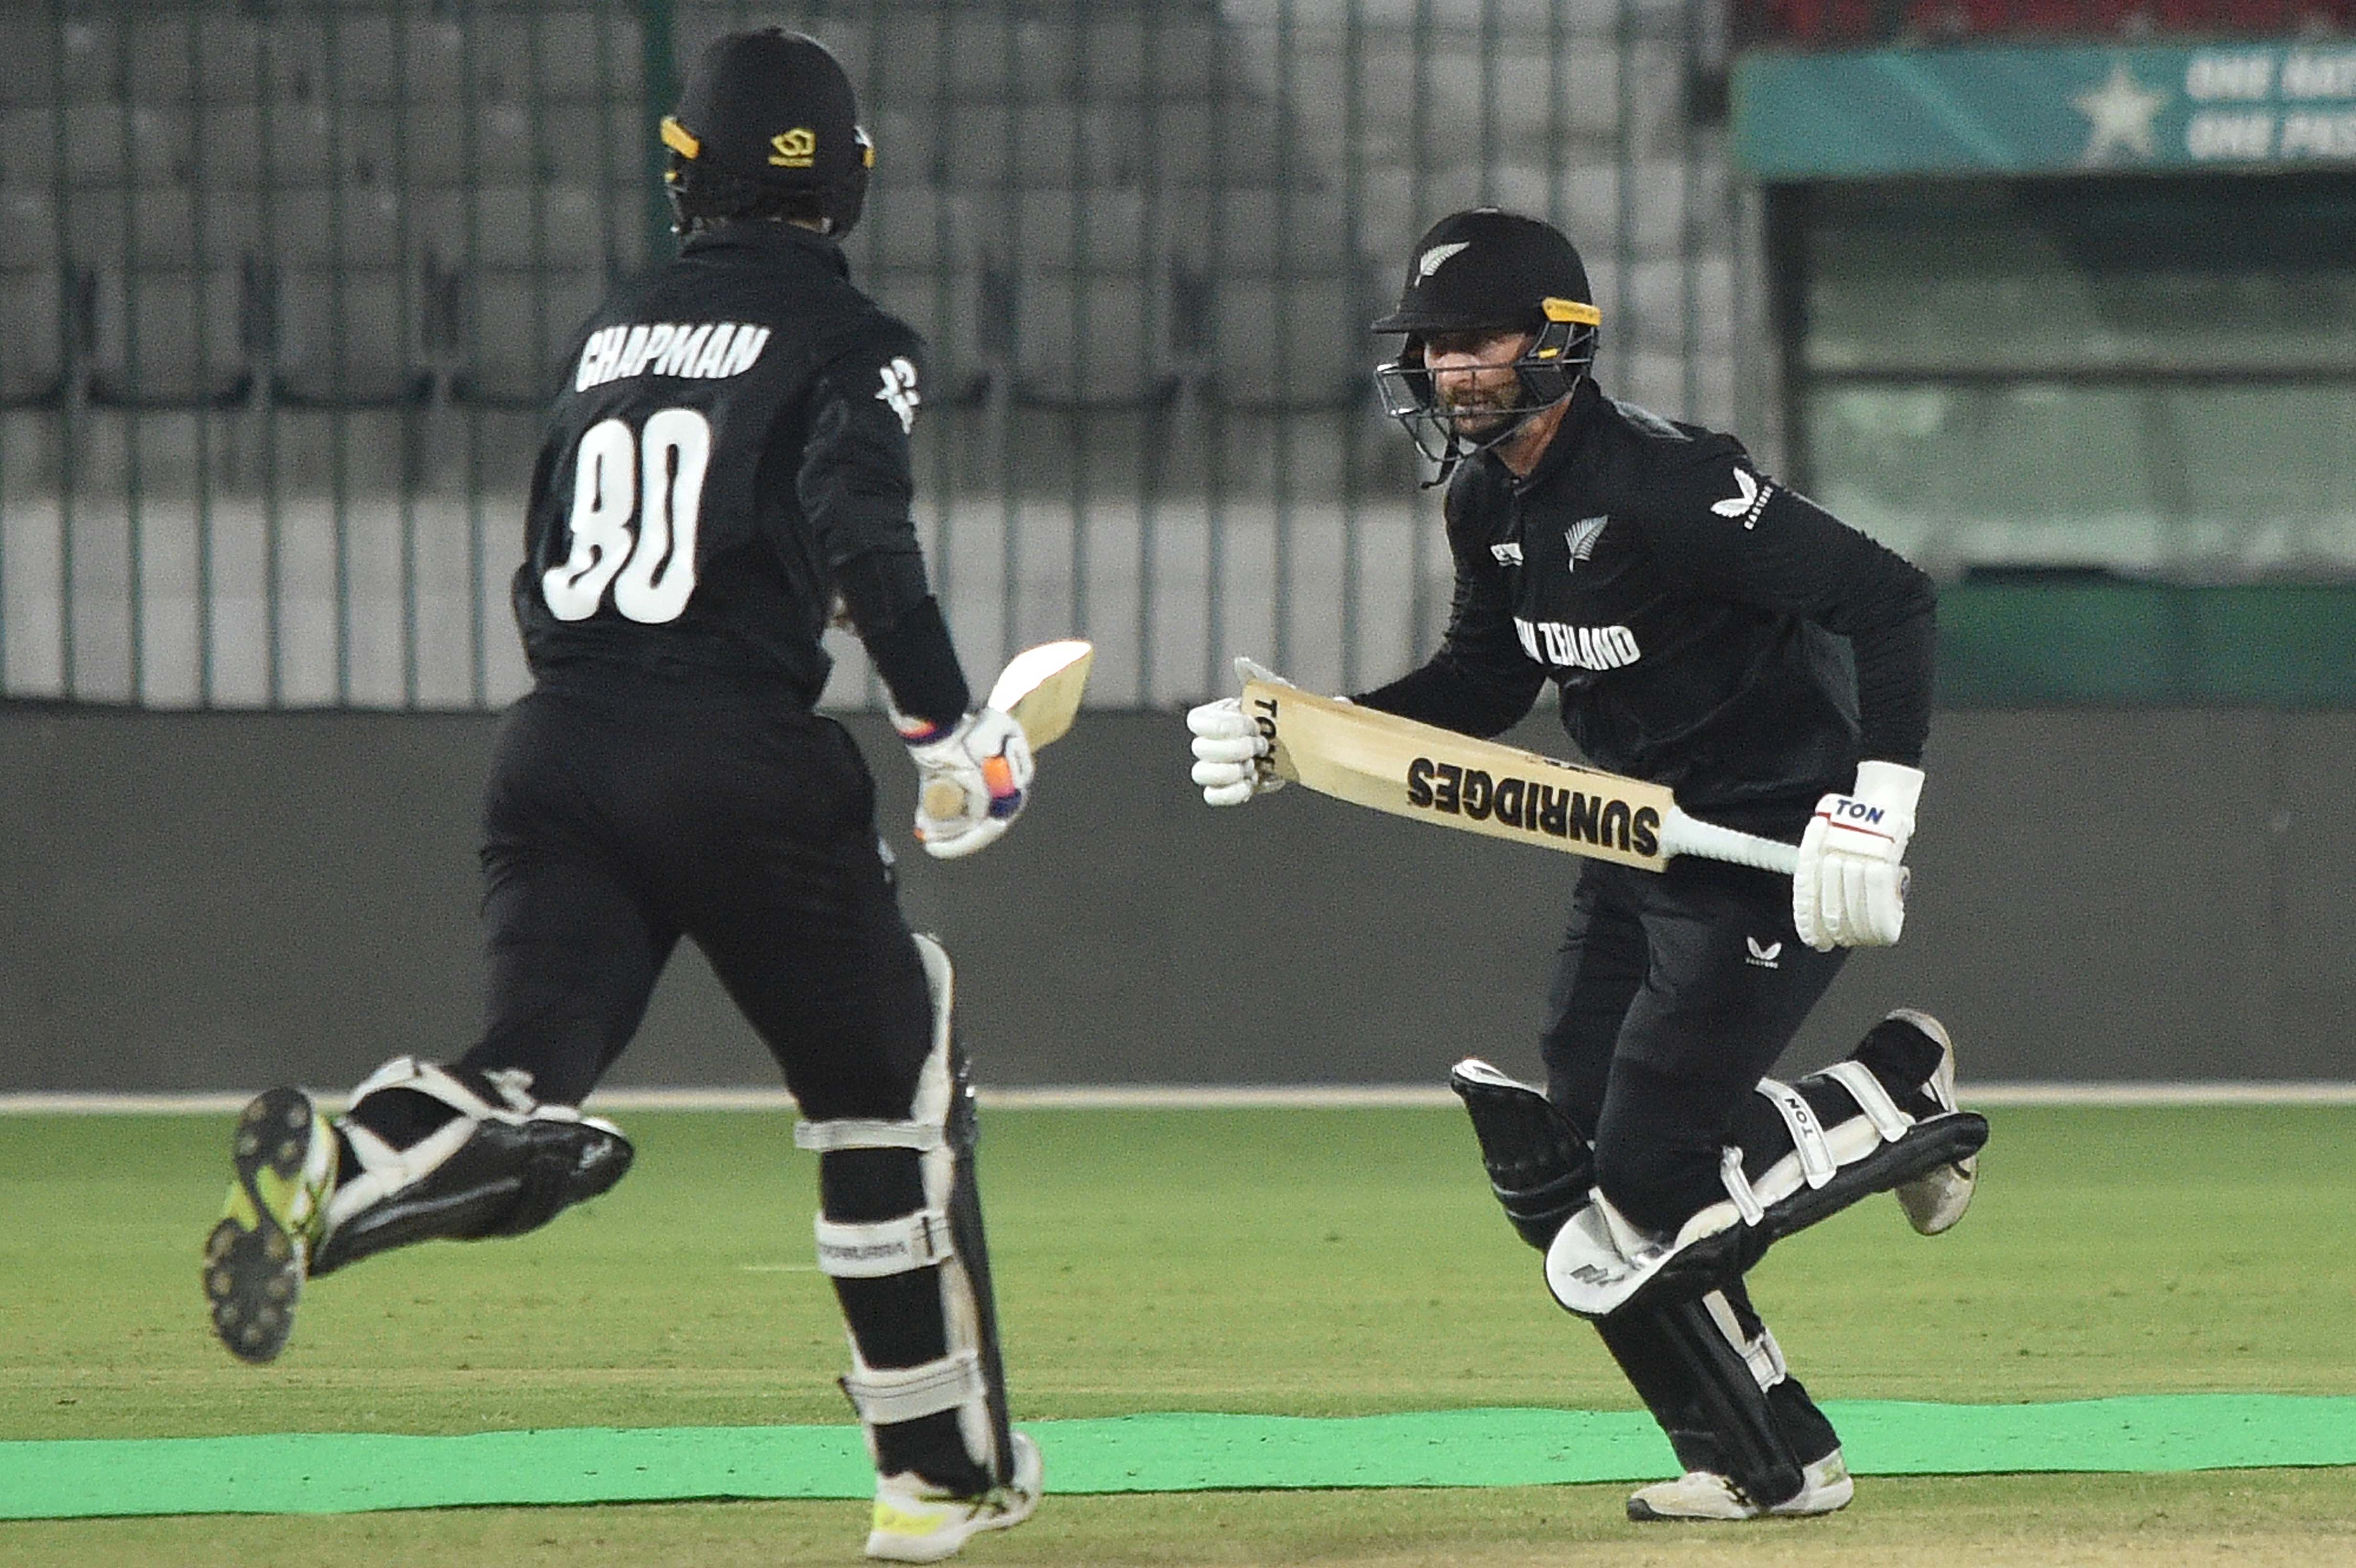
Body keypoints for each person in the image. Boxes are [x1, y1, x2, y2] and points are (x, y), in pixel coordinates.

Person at [201, 30, 1042, 1563]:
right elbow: (863, 535)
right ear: (850, 179)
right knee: (888, 1078)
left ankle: (366, 1151)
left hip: (561, 745)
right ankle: (930, 1471)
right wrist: (950, 734)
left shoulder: (616, 332)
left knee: (532, 1065)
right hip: (735, 760)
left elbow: (550, 554)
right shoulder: (856, 337)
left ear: (682, 174)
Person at [1187, 207, 1987, 1522]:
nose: (1450, 370)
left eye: (1475, 341)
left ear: (1561, 340)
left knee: (1656, 1167)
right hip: (1629, 834)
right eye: (1433, 347)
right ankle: (1773, 1456)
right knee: (1599, 1136)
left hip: (1776, 838)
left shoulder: (1670, 486)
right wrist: (1309, 739)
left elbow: (1889, 596)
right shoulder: (1485, 497)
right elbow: (1485, 680)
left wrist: (1877, 807)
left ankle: (1900, 1090)